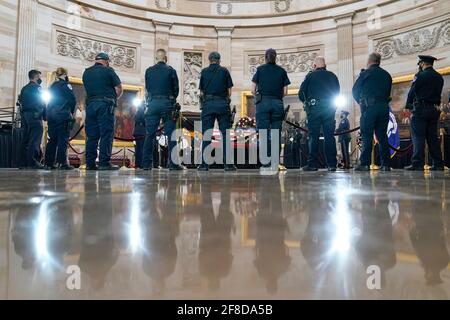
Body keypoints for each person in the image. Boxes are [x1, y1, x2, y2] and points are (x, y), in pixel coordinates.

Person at [141, 49, 182, 171]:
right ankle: (173, 164)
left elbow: (147, 88)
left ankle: (146, 164)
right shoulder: (171, 71)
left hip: (152, 103)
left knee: (149, 134)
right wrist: (171, 99)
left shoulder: (148, 71)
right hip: (167, 103)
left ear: (156, 58)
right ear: (166, 58)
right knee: (171, 135)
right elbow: (176, 89)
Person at [82, 52, 123, 171]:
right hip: (105, 105)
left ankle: (90, 163)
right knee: (106, 134)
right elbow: (119, 88)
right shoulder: (108, 70)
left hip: (90, 106)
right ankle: (104, 162)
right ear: (106, 61)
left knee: (92, 136)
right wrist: (113, 98)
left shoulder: (86, 72)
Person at [298, 56, 340, 172]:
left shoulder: (310, 76)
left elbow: (301, 94)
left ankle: (312, 164)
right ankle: (332, 164)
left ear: (314, 66)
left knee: (313, 137)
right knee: (329, 137)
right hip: (329, 109)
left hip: (314, 109)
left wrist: (307, 103)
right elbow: (337, 92)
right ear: (325, 66)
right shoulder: (333, 76)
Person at [352, 52, 392, 172]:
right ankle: (386, 164)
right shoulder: (387, 75)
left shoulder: (366, 73)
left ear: (369, 61)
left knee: (367, 135)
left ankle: (365, 164)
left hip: (369, 108)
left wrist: (360, 102)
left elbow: (355, 90)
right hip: (384, 108)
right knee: (382, 136)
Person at [251, 48, 291, 170]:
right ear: (275, 57)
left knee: (263, 133)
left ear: (265, 57)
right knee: (275, 133)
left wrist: (259, 96)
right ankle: (274, 161)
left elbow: (253, 89)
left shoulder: (260, 69)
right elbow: (285, 92)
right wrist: (276, 97)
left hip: (263, 103)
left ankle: (265, 161)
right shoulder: (282, 71)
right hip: (277, 103)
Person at [404, 55, 445, 171]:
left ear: (422, 63)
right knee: (432, 138)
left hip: (421, 110)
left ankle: (417, 163)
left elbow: (412, 91)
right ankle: (438, 164)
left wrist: (408, 106)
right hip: (434, 110)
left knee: (418, 137)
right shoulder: (439, 77)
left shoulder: (420, 75)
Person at [197, 51, 236, 172]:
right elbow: (229, 92)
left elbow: (202, 92)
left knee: (207, 134)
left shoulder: (204, 71)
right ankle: (228, 165)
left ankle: (204, 164)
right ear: (219, 60)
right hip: (222, 105)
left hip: (208, 105)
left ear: (209, 60)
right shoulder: (224, 71)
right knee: (225, 134)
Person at [44, 67, 77, 170]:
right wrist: (71, 113)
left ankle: (48, 163)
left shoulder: (51, 86)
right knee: (63, 139)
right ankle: (61, 163)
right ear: (64, 75)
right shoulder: (65, 85)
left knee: (52, 139)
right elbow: (73, 100)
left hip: (51, 115)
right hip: (62, 114)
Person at [18, 70, 46, 169]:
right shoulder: (38, 88)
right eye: (39, 77)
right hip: (35, 115)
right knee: (35, 138)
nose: (40, 79)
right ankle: (33, 162)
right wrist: (45, 116)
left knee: (25, 139)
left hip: (24, 116)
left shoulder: (24, 88)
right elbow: (42, 102)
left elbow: (20, 101)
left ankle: (23, 163)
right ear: (36, 77)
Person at [133, 101, 146, 169]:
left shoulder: (137, 112)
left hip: (137, 132)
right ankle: (141, 164)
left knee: (138, 149)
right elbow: (144, 121)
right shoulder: (142, 111)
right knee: (141, 148)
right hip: (142, 132)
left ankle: (137, 163)